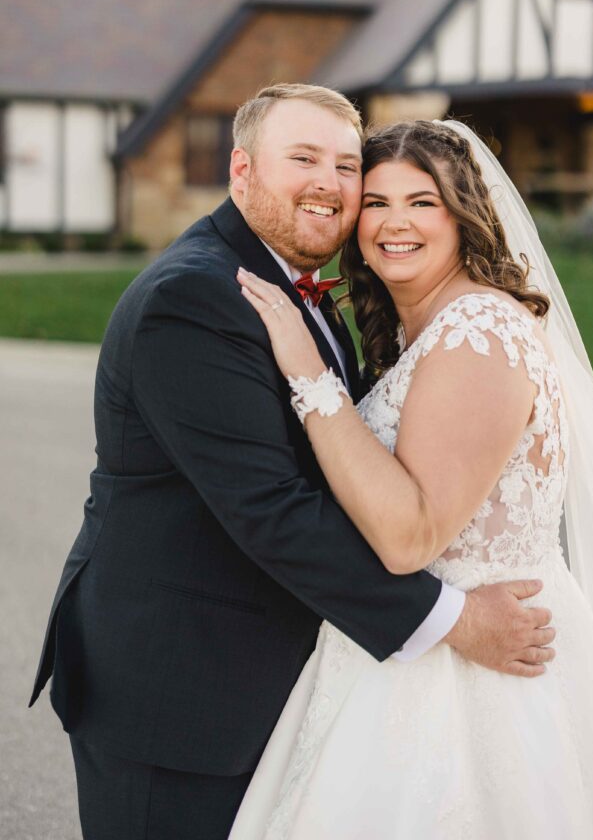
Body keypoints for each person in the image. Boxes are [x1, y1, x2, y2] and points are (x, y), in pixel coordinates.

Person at [29, 87, 553, 840]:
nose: (328, 184)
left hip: (268, 681)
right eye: (302, 158)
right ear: (240, 170)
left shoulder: (295, 292)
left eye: (346, 165)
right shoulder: (198, 297)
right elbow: (271, 508)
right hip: (178, 690)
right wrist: (454, 621)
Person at [232, 118, 593, 838]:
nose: (393, 223)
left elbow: (410, 536)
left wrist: (309, 377)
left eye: (422, 202)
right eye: (376, 203)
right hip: (407, 650)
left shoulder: (479, 332)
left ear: (464, 214)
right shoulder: (428, 328)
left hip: (476, 684)